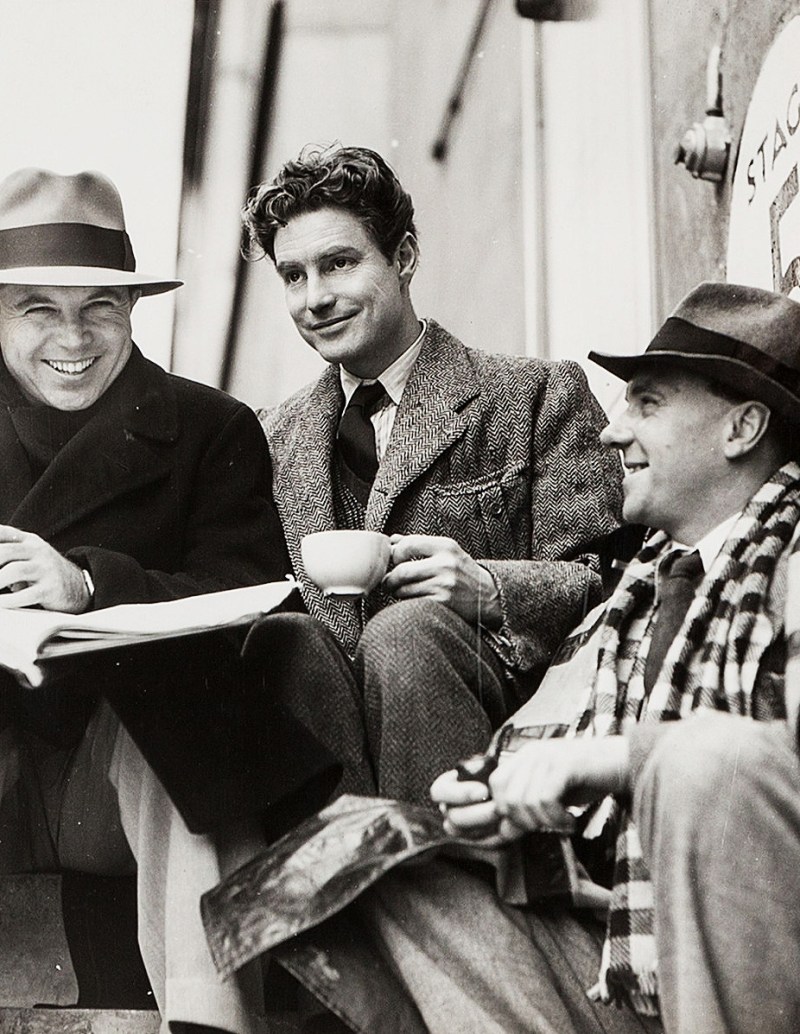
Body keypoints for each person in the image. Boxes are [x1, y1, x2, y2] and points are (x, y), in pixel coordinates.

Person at [262, 281, 800, 1034]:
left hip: (761, 958)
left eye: (647, 405)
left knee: (698, 765)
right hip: (618, 952)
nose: (615, 433)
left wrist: (619, 762)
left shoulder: (790, 563)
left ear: (742, 427)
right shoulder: (640, 590)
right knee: (359, 865)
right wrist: (483, 787)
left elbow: (761, 771)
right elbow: (538, 737)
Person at [0, 168, 338, 1034]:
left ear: (133, 310)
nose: (71, 338)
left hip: (110, 790)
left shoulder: (207, 428)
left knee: (175, 692)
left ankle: (206, 1019)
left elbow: (252, 593)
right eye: (39, 308)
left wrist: (88, 583)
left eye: (99, 308)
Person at [241, 144, 625, 802]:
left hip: (501, 729)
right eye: (294, 276)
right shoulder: (269, 439)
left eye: (339, 263)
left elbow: (611, 585)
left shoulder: (532, 394)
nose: (316, 298)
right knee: (287, 641)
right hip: (338, 744)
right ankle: (340, 888)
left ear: (405, 258)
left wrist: (489, 586)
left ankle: (447, 892)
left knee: (406, 630)